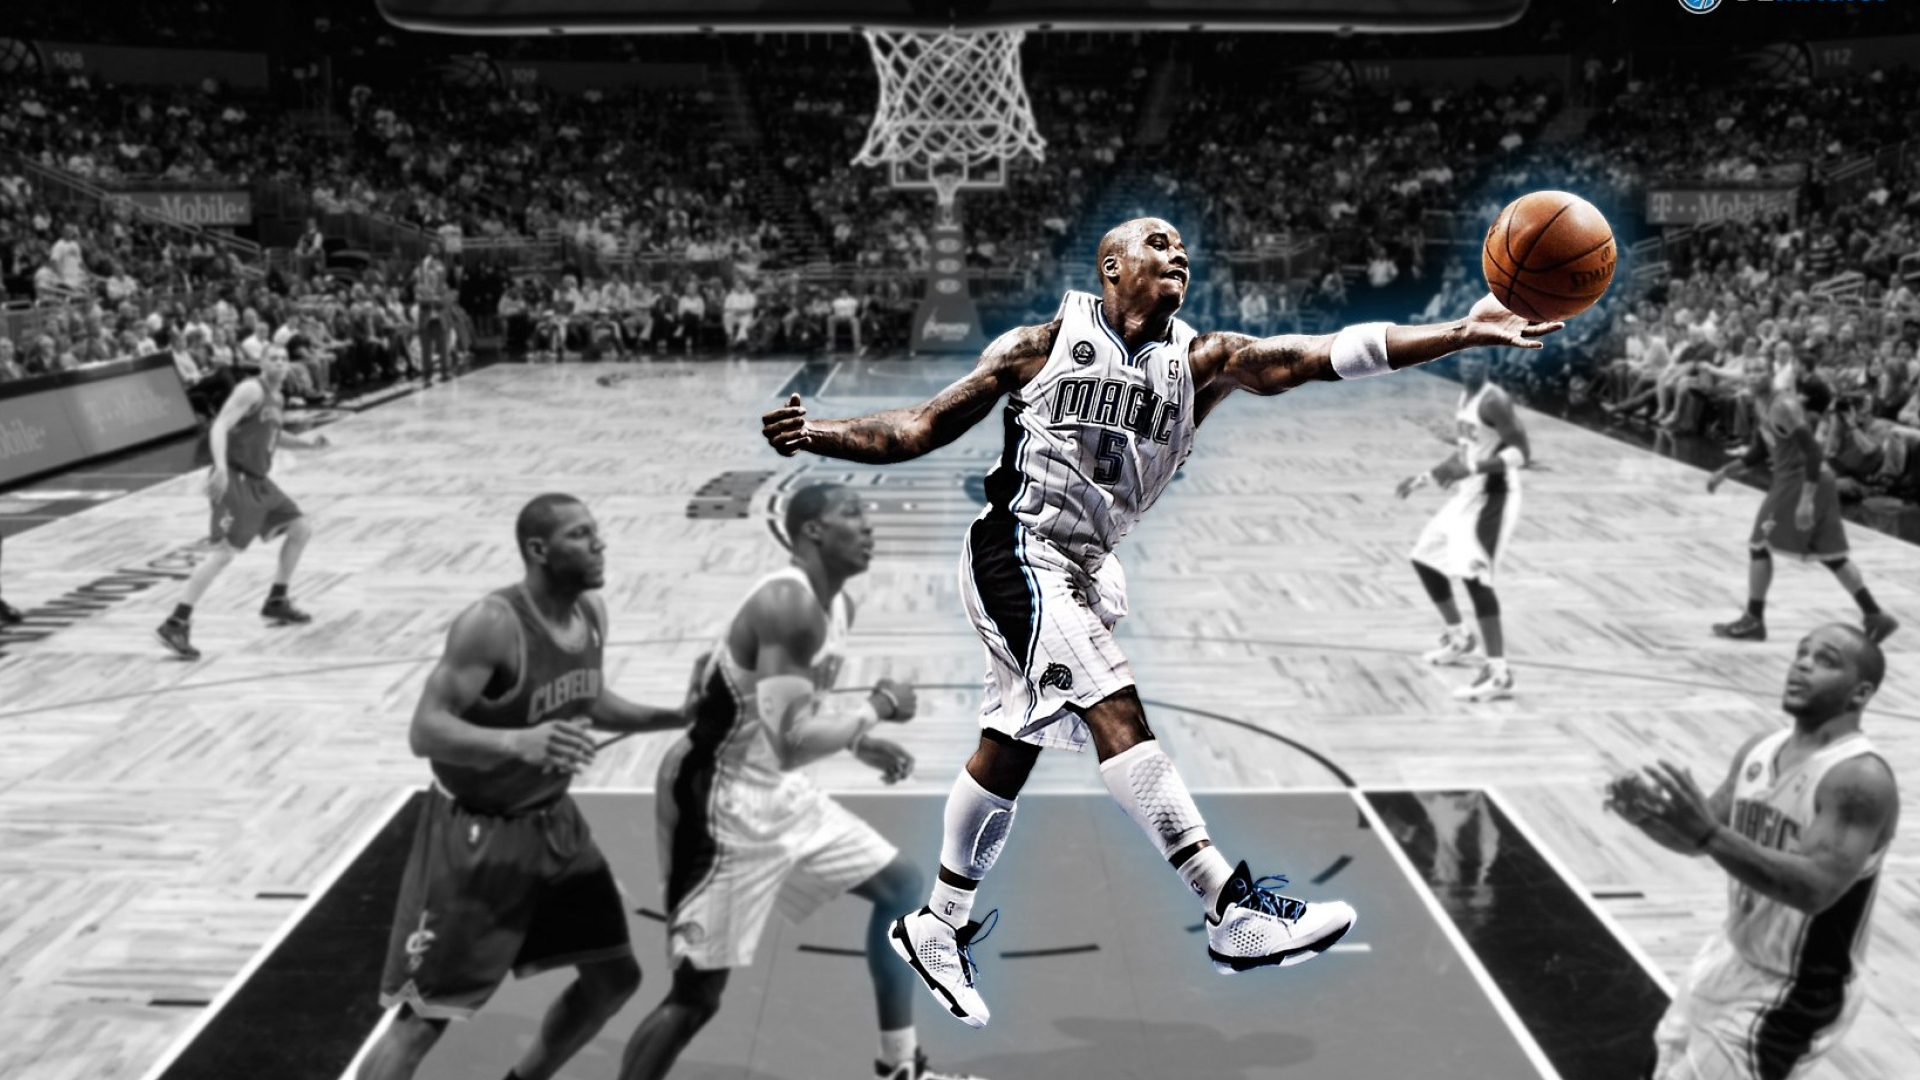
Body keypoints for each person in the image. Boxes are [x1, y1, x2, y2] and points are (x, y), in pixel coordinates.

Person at [760, 217, 1562, 1026]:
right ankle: (1227, 906)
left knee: (1009, 744)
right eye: (1157, 242)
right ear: (1111, 267)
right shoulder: (1040, 346)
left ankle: (938, 923)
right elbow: (920, 428)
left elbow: (1323, 354)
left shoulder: (1203, 361)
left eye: (1182, 247)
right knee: (1115, 707)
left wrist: (1461, 331)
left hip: (1081, 567)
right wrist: (816, 434)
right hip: (1017, 550)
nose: (1178, 253)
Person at [621, 484, 981, 1080]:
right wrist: (876, 708)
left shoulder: (837, 607)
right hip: (719, 801)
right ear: (812, 531)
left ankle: (899, 1066)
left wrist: (859, 744)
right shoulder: (786, 604)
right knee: (696, 997)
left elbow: (787, 706)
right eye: (852, 515)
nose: (868, 527)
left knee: (900, 886)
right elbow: (789, 741)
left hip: (776, 790)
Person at [359, 494, 695, 1080]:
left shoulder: (591, 613)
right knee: (422, 1019)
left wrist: (673, 716)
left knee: (613, 979)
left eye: (596, 531)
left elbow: (589, 696)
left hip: (554, 828)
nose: (599, 543)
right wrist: (518, 742)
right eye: (580, 534)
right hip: (477, 837)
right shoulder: (492, 625)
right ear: (539, 550)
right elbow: (425, 730)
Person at [1607, 624, 1899, 1080]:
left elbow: (1816, 890)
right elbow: (1695, 839)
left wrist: (1708, 834)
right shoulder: (1759, 750)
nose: (1802, 664)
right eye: (1801, 653)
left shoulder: (1858, 780)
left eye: (1825, 660)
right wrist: (1647, 819)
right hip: (1730, 955)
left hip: (1796, 989)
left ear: (1860, 693)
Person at [155, 350, 329, 661]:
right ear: (261, 363)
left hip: (259, 482)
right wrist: (220, 467)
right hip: (235, 479)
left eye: (283, 358)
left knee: (301, 529)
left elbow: (273, 434)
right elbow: (219, 425)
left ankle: (277, 601)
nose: (280, 362)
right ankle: (175, 623)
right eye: (273, 358)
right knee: (223, 554)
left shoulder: (277, 396)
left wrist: (308, 445)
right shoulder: (251, 390)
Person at [1706, 368, 1897, 645]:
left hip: (1803, 481)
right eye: (1748, 371)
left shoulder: (1783, 406)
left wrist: (1806, 500)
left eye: (1758, 370)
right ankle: (1875, 615)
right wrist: (1724, 472)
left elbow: (1814, 451)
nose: (1752, 376)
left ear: (1770, 373)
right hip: (1804, 480)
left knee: (1759, 544)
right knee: (1832, 556)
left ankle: (1753, 619)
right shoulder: (1761, 403)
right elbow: (1760, 450)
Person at [1395, 350, 1532, 702]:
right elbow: (1465, 453)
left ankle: (1499, 674)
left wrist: (1470, 470)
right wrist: (1424, 478)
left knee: (1476, 579)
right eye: (1466, 359)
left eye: (1477, 359)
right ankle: (1459, 637)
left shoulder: (1494, 401)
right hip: (1468, 494)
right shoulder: (1465, 397)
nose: (1470, 364)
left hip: (1493, 498)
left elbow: (1521, 454)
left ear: (1488, 364)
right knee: (1424, 558)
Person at [413, 245, 450, 384]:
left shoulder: (443, 287)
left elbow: (445, 301)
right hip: (426, 319)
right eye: (429, 273)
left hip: (440, 319)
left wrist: (432, 299)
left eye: (434, 273)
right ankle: (427, 374)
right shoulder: (420, 287)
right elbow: (419, 300)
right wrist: (433, 299)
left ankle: (445, 372)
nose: (432, 275)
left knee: (444, 347)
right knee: (426, 349)